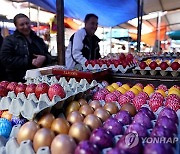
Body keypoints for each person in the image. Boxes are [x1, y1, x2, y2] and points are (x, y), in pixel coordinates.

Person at [0, 13, 52, 82]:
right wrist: (29, 61)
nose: (25, 26)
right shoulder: (9, 40)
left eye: (27, 23)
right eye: (22, 25)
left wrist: (45, 58)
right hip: (17, 81)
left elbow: (48, 55)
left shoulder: (38, 40)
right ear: (16, 26)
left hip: (39, 80)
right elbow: (5, 59)